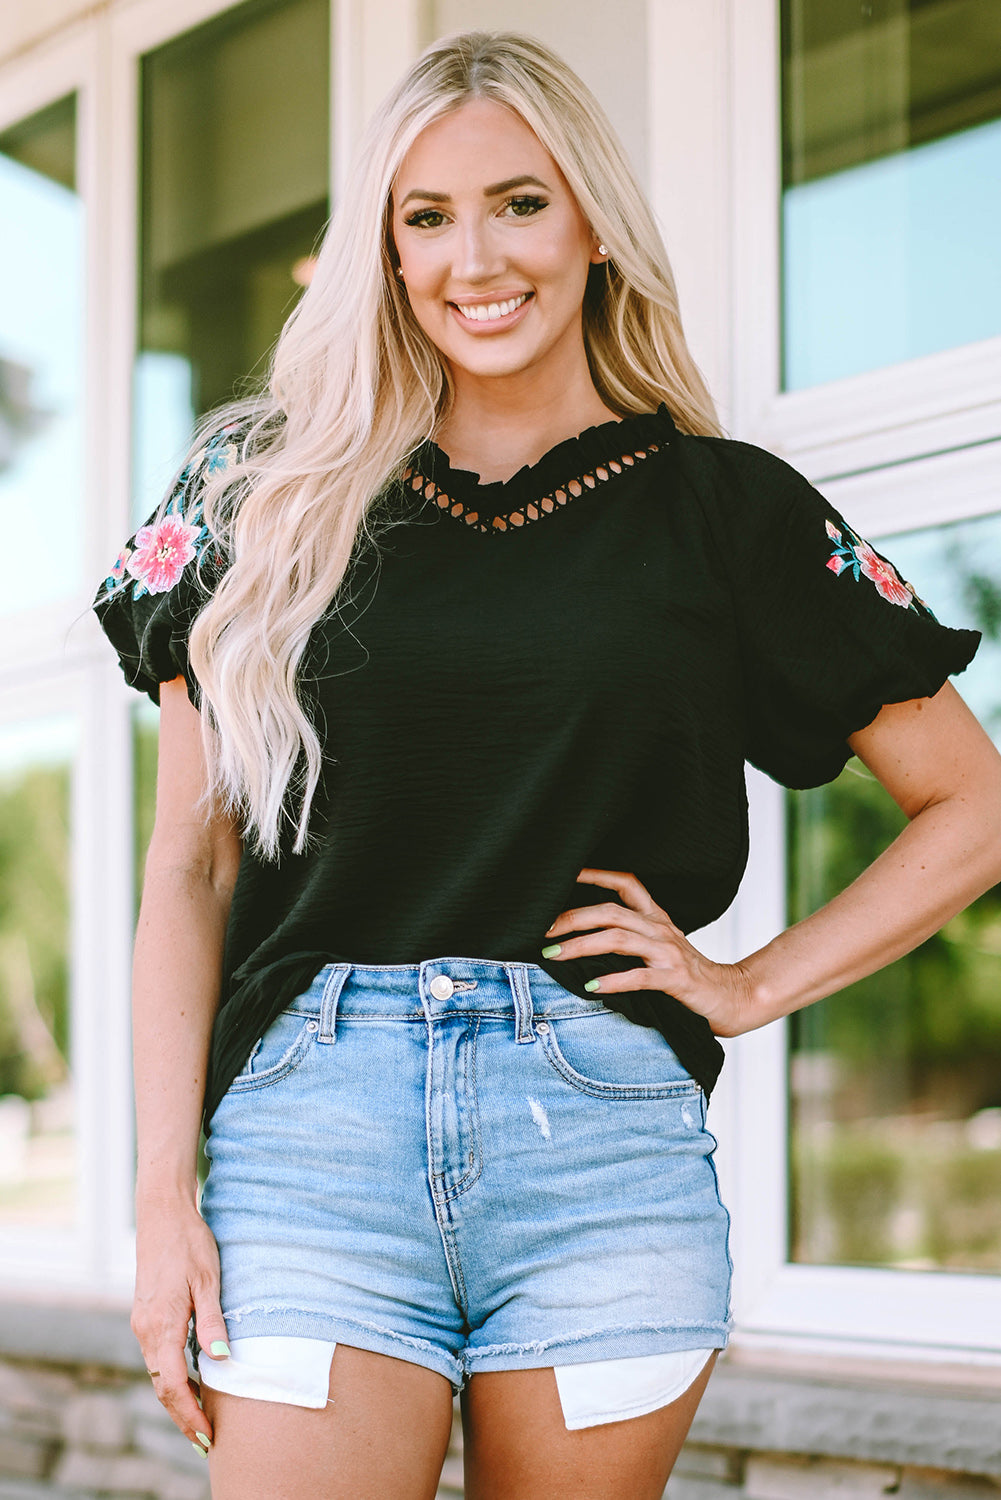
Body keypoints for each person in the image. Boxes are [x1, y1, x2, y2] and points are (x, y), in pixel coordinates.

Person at [91, 28, 1001, 1500]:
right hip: (311, 1140)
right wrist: (155, 1198)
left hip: (600, 1152)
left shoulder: (729, 514)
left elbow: (974, 803)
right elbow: (187, 862)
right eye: (425, 216)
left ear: (591, 221)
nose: (476, 258)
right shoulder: (256, 494)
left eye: (519, 202)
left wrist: (754, 982)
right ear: (383, 252)